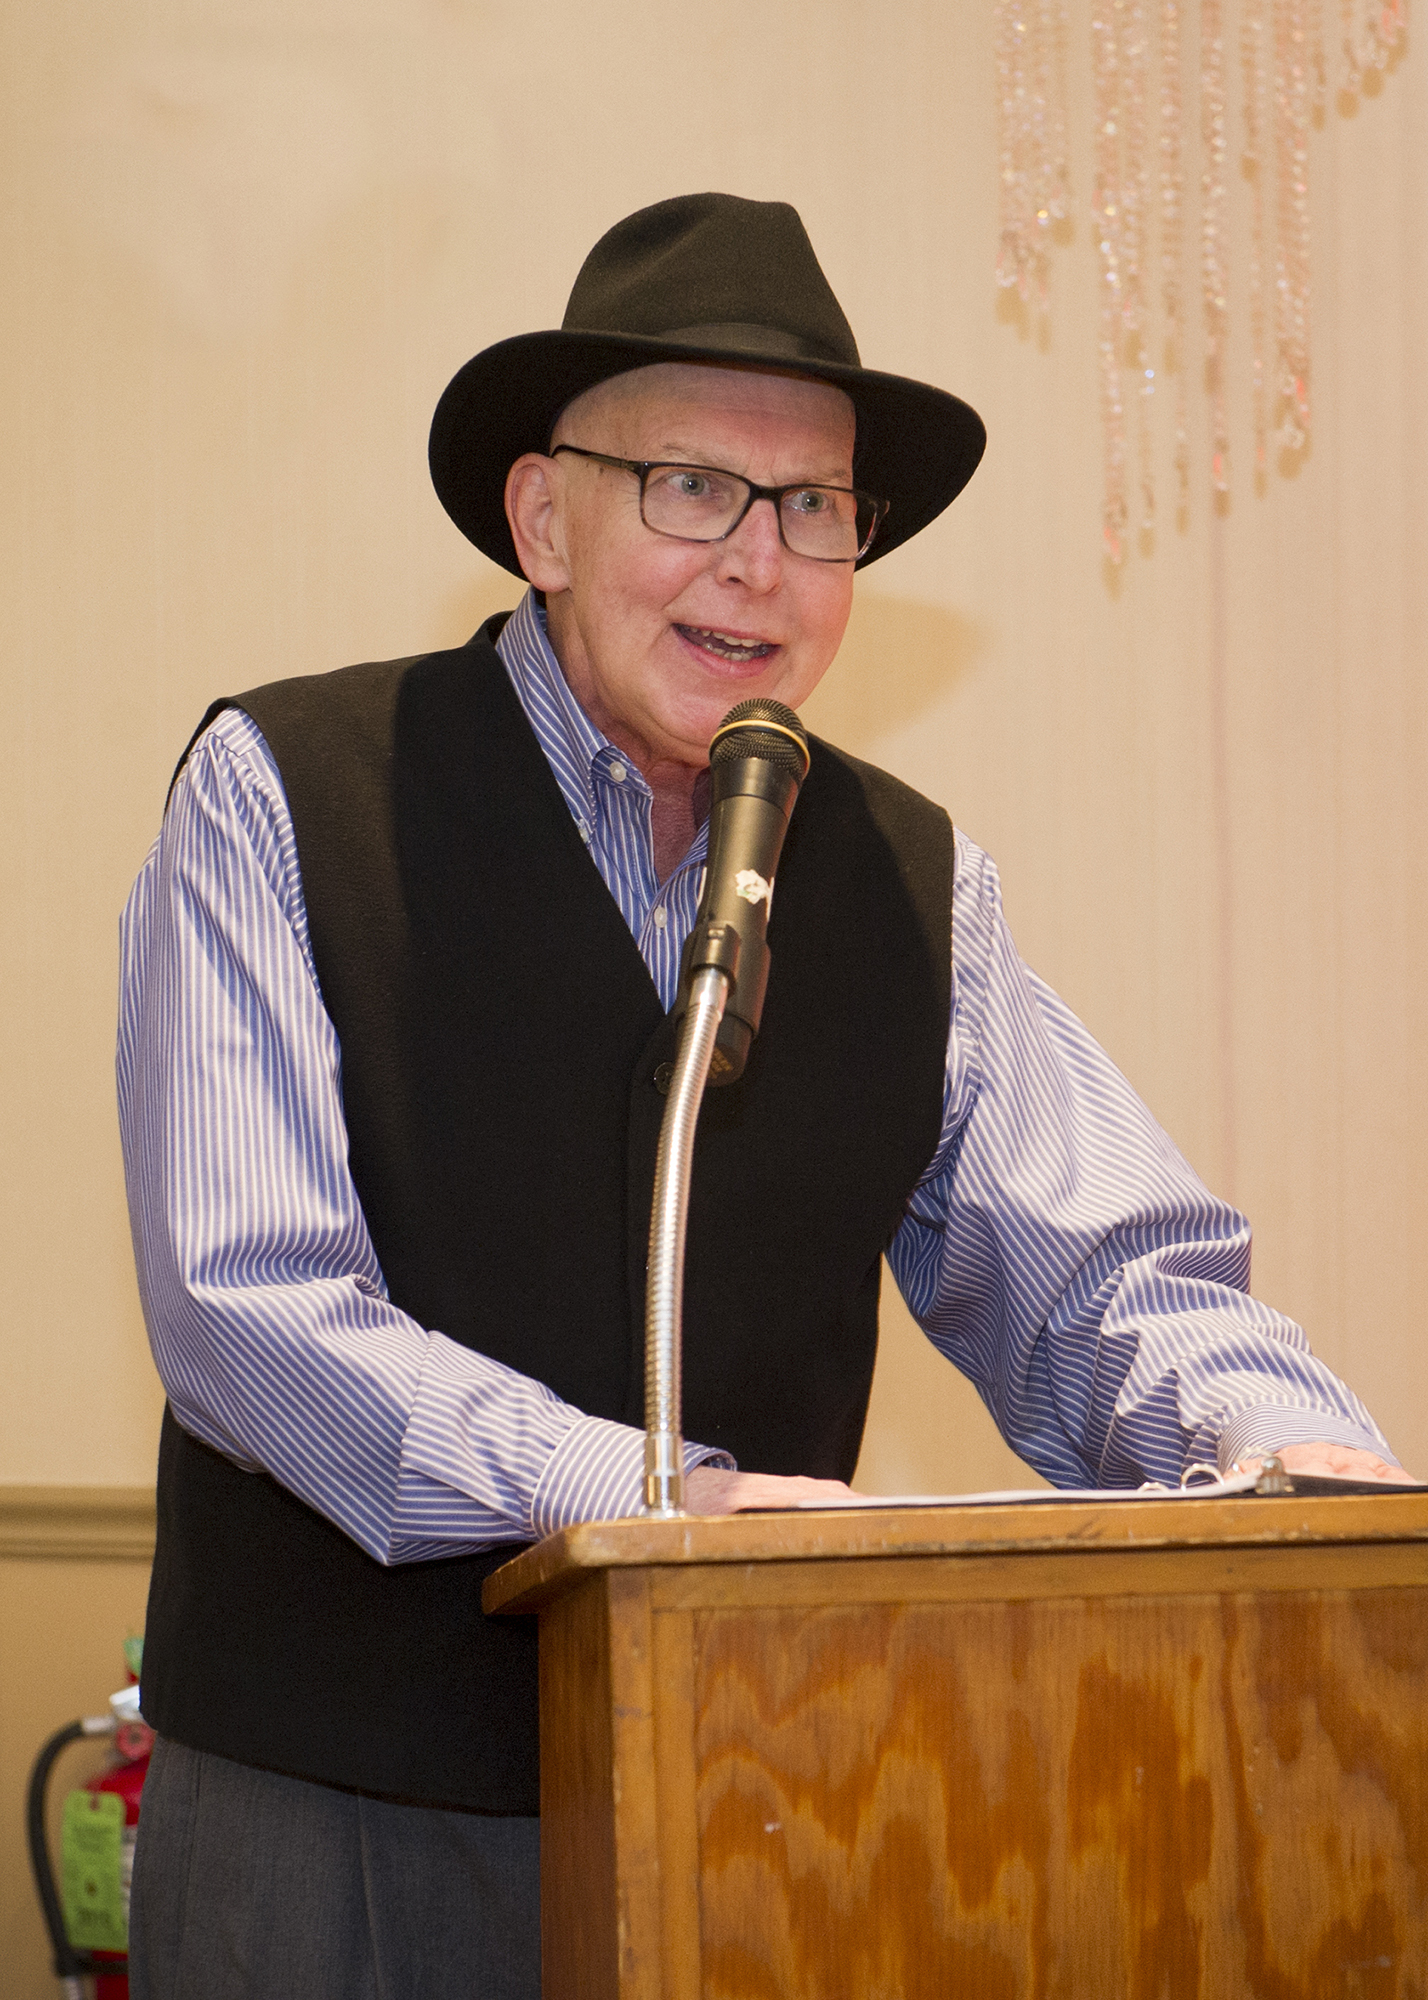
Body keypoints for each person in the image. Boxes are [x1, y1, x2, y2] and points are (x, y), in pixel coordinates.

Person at [116, 192, 1410, 1999]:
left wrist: (1291, 1462)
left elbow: (1104, 1276)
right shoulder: (285, 791)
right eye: (693, 488)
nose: (759, 563)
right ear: (542, 518)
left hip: (766, 1800)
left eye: (814, 508)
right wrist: (655, 1501)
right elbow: (246, 1307)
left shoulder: (909, 880)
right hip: (336, 1827)